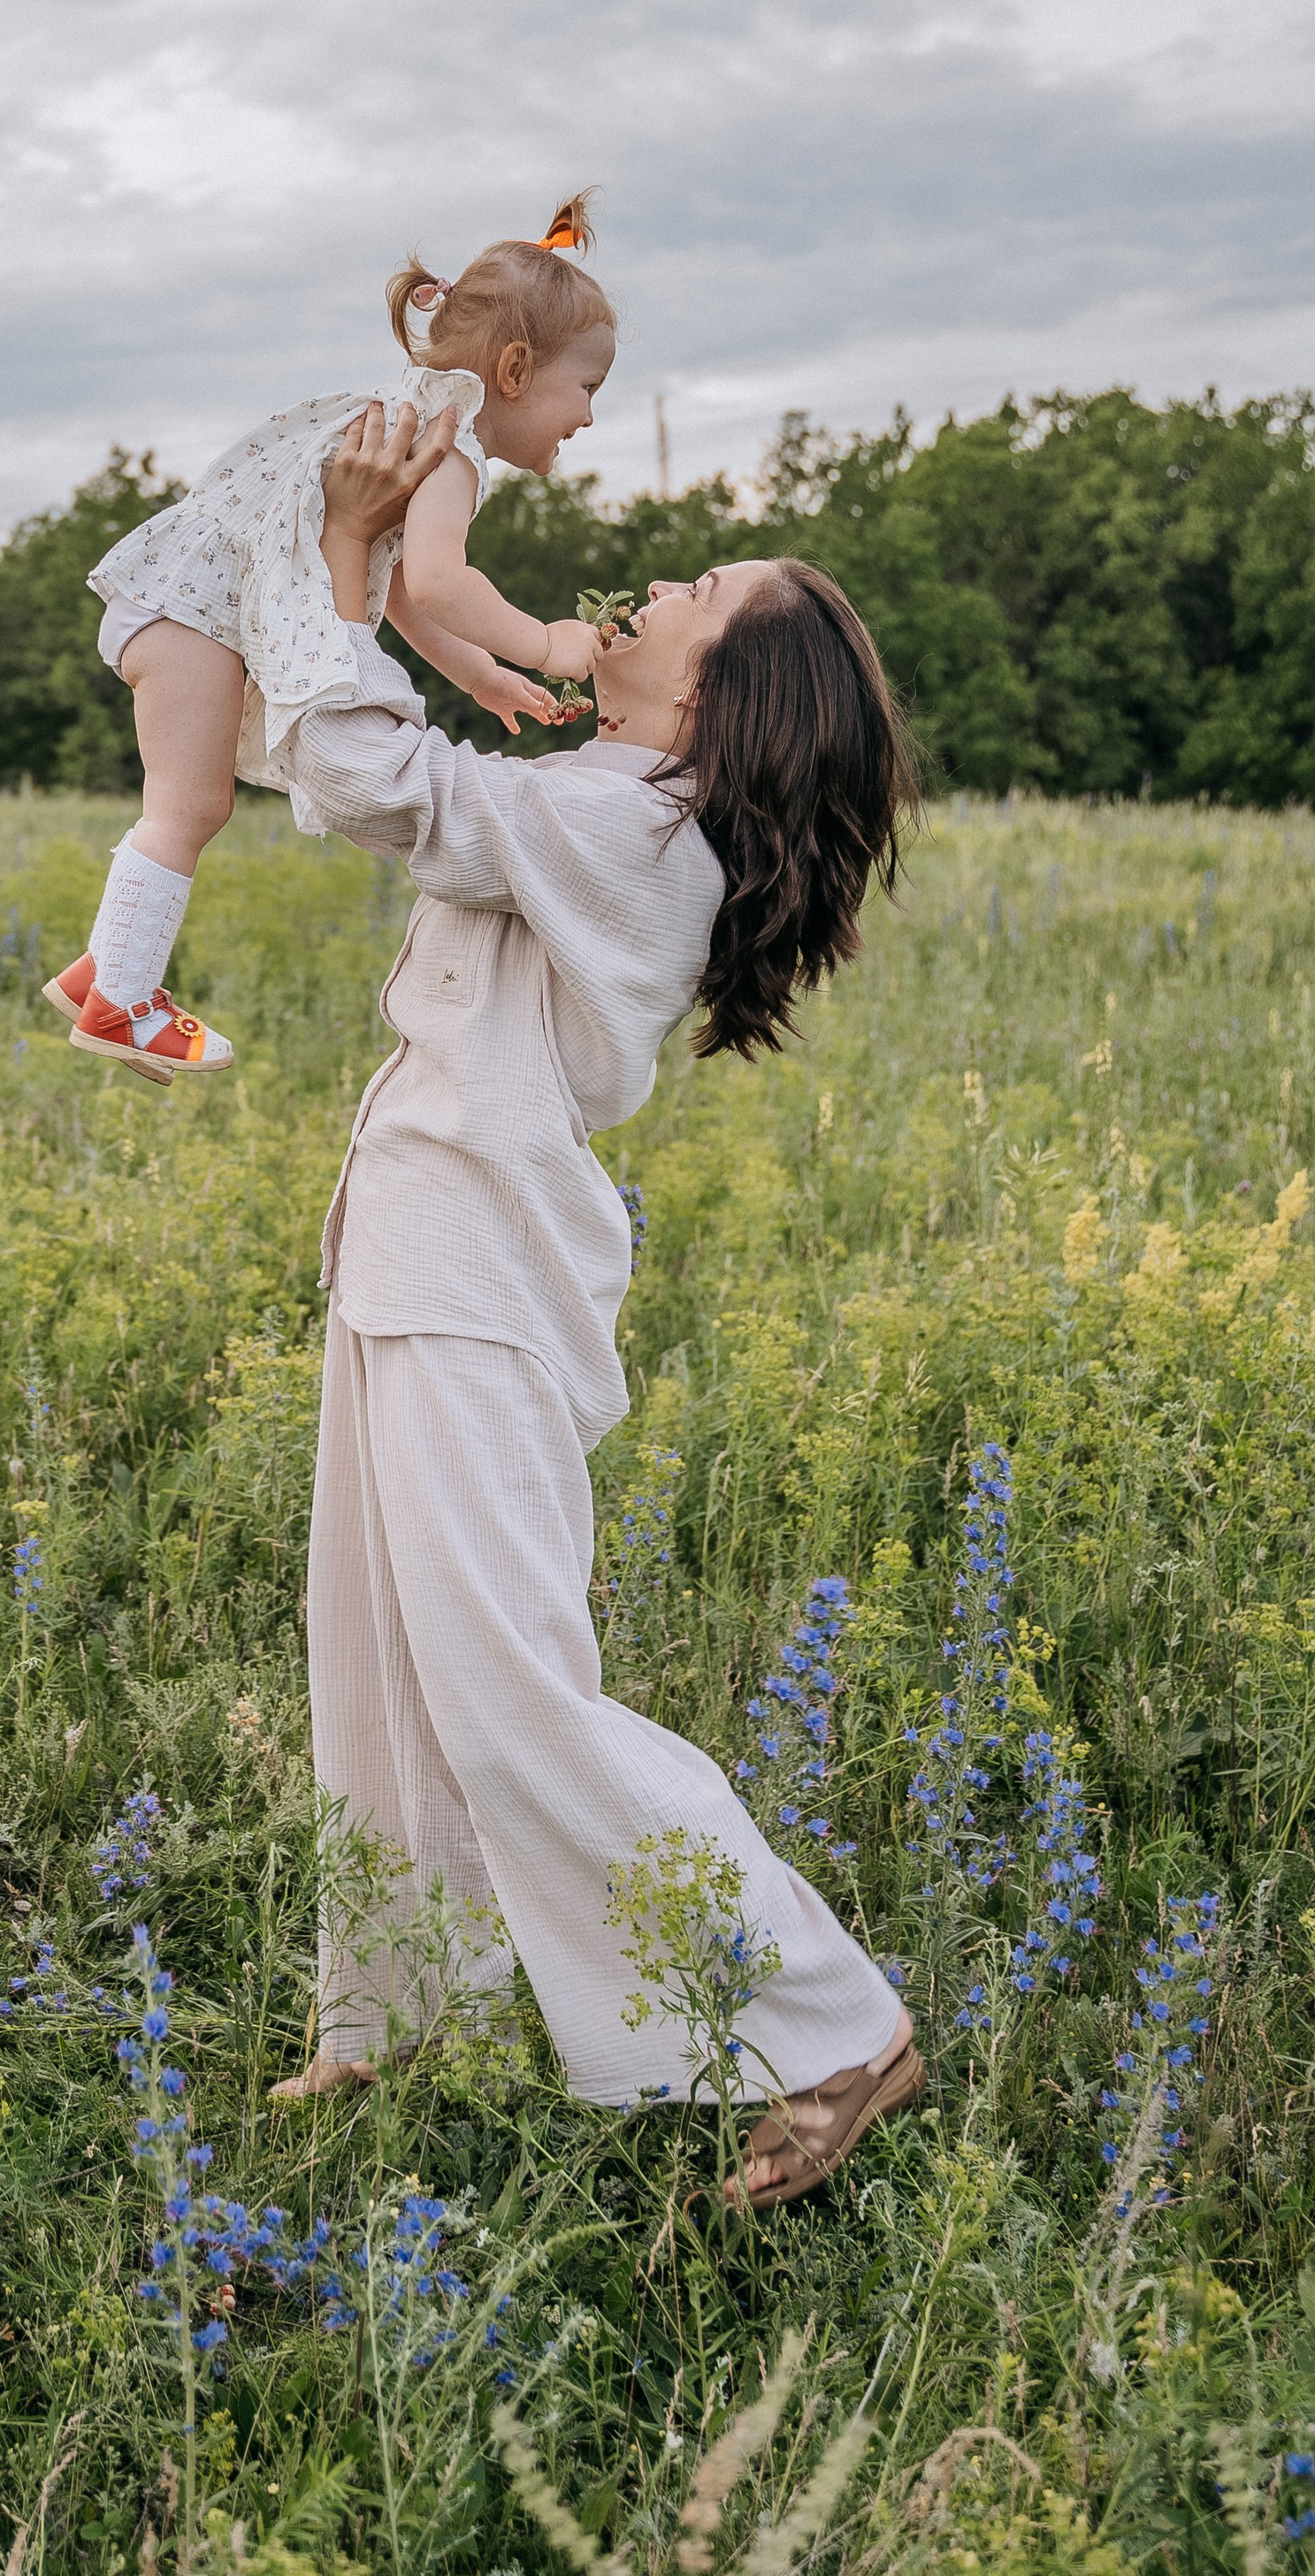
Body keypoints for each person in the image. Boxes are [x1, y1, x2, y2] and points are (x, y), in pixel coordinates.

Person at [264, 397, 925, 2211]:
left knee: (506, 1686)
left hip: (473, 1270)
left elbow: (366, 780)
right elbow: (432, 647)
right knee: (384, 1661)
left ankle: (823, 2022)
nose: (646, 582)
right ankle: (394, 2011)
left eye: (692, 591)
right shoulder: (596, 790)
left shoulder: (635, 824)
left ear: (718, 703)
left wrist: (338, 563)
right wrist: (392, 551)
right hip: (415, 1248)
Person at [41, 200, 615, 1083]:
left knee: (189, 806)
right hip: (194, 608)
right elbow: (437, 583)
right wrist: (544, 643)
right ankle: (122, 1003)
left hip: (187, 600)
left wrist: (483, 675)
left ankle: (104, 970)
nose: (587, 416)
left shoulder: (424, 425)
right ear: (512, 370)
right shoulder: (450, 446)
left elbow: (398, 597)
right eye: (586, 388)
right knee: (189, 809)